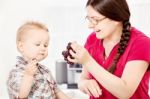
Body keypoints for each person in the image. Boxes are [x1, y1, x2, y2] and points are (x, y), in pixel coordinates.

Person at [66, 0, 150, 99]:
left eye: (96, 20)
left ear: (116, 19)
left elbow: (125, 92)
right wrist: (85, 84)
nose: (90, 25)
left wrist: (87, 61)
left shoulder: (141, 43)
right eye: (89, 19)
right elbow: (83, 79)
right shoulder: (92, 39)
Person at [7, 21, 71, 99]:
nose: (43, 48)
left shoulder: (45, 70)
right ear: (21, 46)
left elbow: (57, 92)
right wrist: (28, 75)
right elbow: (21, 96)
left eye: (45, 45)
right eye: (37, 44)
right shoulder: (16, 71)